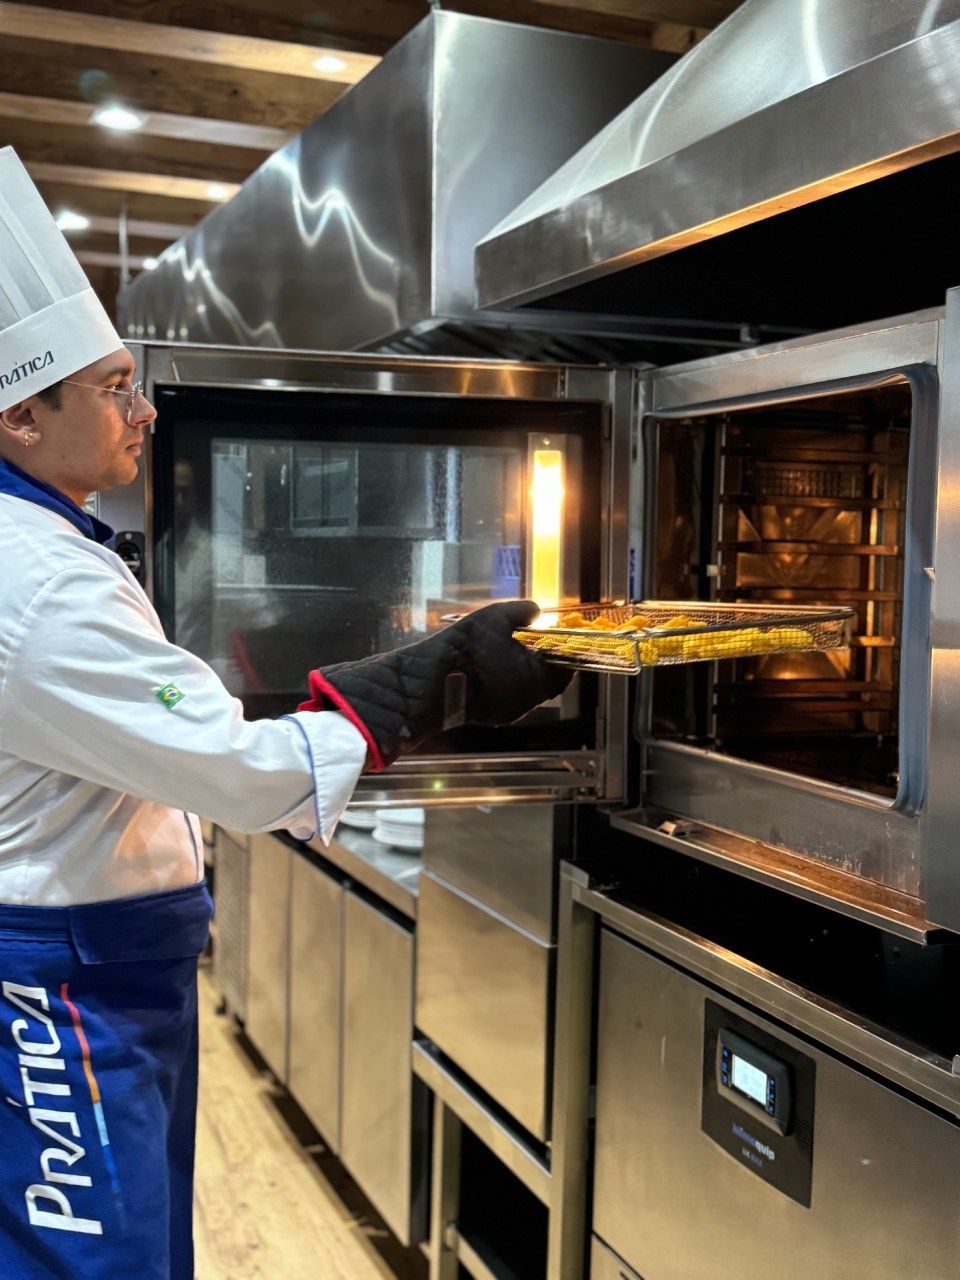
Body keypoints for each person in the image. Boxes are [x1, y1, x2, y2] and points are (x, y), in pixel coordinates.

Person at [0, 146, 568, 1280]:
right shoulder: (35, 582)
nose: (147, 411)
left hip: (111, 967)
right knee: (89, 1262)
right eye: (114, 387)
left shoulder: (47, 545)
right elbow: (245, 772)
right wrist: (426, 674)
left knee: (132, 1247)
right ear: (21, 416)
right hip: (63, 979)